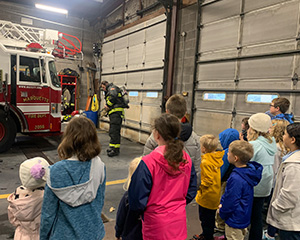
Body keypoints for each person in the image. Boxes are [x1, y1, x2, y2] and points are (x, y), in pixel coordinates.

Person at [128, 113, 197, 240]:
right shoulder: (186, 159)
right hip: (178, 220)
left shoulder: (148, 163)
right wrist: (178, 205)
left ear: (157, 135)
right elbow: (191, 189)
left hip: (155, 224)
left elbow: (136, 199)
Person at [40, 116, 106, 240]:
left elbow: (48, 214)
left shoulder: (55, 171)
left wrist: (44, 237)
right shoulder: (99, 166)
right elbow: (99, 202)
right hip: (93, 233)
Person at [143, 94, 201, 186]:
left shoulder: (157, 135)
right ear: (185, 112)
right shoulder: (195, 139)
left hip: (159, 190)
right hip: (182, 192)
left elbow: (145, 166)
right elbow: (197, 169)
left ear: (167, 111)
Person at [218, 140, 262, 240]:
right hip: (243, 216)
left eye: (229, 152)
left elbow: (231, 200)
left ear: (235, 158)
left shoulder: (236, 178)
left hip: (234, 219)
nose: (227, 153)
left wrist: (222, 212)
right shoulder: (248, 172)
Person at [267, 123, 300, 240]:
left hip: (292, 222)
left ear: (293, 139)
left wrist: (276, 207)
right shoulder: (292, 158)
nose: (283, 137)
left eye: (285, 134)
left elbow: (290, 194)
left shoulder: (294, 165)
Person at [247, 113, 277, 240]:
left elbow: (246, 161)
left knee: (249, 214)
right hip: (266, 180)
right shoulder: (271, 141)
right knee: (257, 215)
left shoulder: (254, 145)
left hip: (255, 181)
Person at [7, 157, 49, 240]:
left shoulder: (17, 194)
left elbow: (12, 218)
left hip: (21, 235)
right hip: (42, 235)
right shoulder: (46, 197)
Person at [193, 134, 224, 240]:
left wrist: (198, 187)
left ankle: (207, 236)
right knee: (210, 219)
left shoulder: (205, 162)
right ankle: (206, 234)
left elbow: (207, 181)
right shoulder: (216, 159)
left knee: (204, 219)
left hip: (206, 197)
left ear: (203, 148)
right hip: (214, 195)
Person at [263, 119, 289, 240]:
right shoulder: (286, 147)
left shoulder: (275, 147)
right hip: (281, 182)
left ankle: (270, 233)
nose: (269, 129)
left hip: (273, 182)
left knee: (272, 208)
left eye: (271, 128)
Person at [215, 128, 240, 233]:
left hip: (224, 182)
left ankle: (220, 226)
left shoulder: (226, 153)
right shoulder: (238, 151)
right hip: (233, 182)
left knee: (221, 203)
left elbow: (221, 169)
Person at [115, 157, 143, 240]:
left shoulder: (127, 197)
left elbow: (121, 217)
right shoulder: (152, 195)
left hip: (129, 236)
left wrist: (118, 232)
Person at [101, 80, 127, 157]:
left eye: (103, 87)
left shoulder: (112, 88)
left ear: (106, 85)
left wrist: (107, 106)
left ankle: (115, 150)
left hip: (116, 114)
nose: (103, 89)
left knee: (114, 132)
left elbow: (113, 97)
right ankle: (112, 147)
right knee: (113, 132)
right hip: (114, 114)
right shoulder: (111, 89)